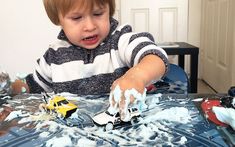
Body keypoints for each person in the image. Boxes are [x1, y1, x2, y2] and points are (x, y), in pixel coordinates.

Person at [13, 0, 168, 120]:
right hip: (71, 136)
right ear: (59, 19)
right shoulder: (53, 57)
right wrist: (9, 86)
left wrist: (137, 76)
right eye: (77, 17)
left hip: (122, 132)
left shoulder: (120, 40)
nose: (90, 26)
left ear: (109, 9)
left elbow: (155, 57)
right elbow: (30, 90)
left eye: (98, 13)